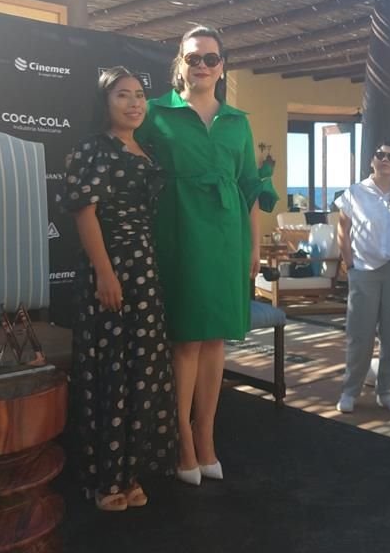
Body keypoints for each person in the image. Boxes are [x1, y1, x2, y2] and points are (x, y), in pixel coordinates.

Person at [137, 26, 277, 486]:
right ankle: (182, 441)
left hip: (227, 235)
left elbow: (249, 188)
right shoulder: (155, 111)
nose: (202, 66)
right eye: (193, 57)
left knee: (215, 338)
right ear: (180, 61)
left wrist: (253, 246)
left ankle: (207, 437)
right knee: (186, 340)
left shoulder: (238, 120)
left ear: (222, 65)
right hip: (177, 231)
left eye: (211, 58)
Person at [60, 67, 177, 511]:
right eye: (123, 95)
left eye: (140, 95)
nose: (134, 103)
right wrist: (105, 274)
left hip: (144, 266)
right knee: (111, 371)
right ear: (104, 103)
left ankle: (129, 471)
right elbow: (84, 214)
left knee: (141, 370)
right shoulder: (93, 148)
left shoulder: (144, 149)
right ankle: (106, 480)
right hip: (109, 267)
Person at [335, 142, 390, 415]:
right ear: (372, 161)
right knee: (360, 335)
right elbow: (343, 229)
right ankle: (350, 391)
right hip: (364, 270)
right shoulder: (356, 192)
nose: (385, 159)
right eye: (380, 155)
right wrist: (349, 263)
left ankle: (387, 392)